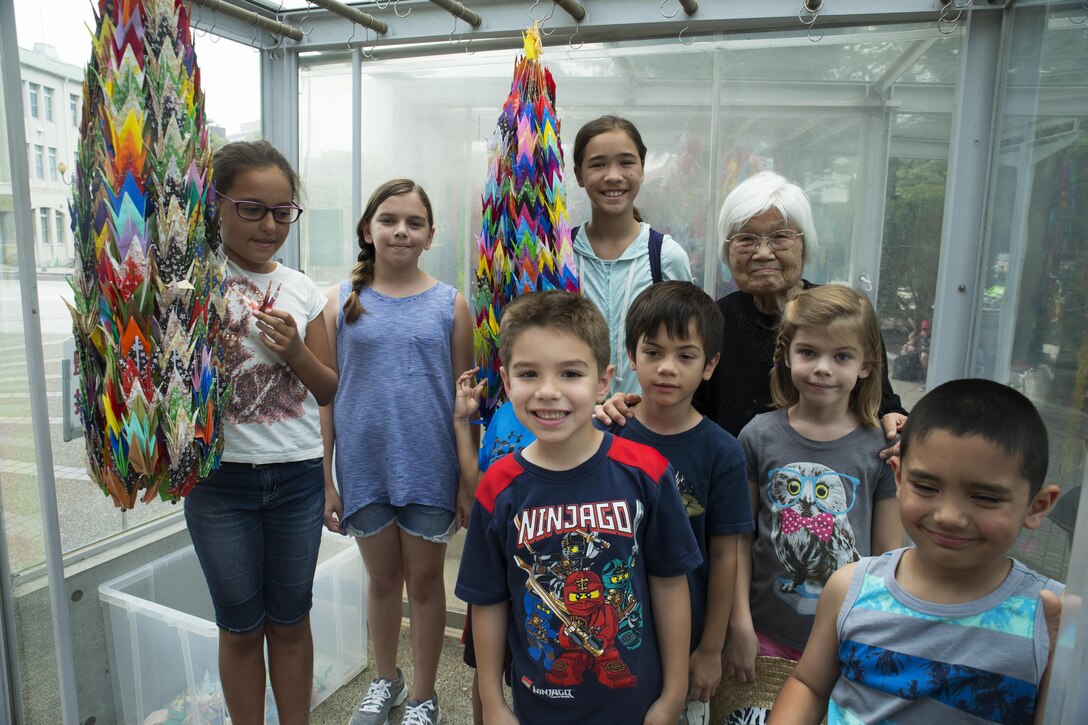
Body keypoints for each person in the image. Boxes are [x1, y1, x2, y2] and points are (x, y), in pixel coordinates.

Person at [455, 290, 702, 725]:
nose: (548, 391)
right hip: (539, 706)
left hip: (637, 705)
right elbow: (488, 600)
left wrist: (673, 693)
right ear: (507, 383)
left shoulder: (646, 473)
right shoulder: (498, 488)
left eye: (570, 373)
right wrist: (492, 702)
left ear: (603, 381)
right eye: (529, 373)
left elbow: (669, 583)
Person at [769, 378, 1064, 725]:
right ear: (898, 477)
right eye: (926, 487)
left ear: (1037, 506)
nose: (948, 516)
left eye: (984, 497)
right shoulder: (849, 588)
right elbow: (809, 685)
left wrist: (1059, 660)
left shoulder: (1053, 619)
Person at [183, 140, 339, 725]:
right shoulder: (194, 282)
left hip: (297, 478)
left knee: (291, 621)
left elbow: (327, 388)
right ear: (216, 204)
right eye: (251, 209)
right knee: (241, 627)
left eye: (282, 212)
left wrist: (295, 350)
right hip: (218, 483)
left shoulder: (302, 289)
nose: (269, 225)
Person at [321, 179, 474, 725]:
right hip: (364, 468)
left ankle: (424, 695)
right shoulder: (339, 303)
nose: (401, 231)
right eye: (388, 220)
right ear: (368, 230)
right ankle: (387, 679)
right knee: (383, 580)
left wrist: (467, 479)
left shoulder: (451, 305)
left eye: (414, 222)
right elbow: (325, 396)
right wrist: (326, 478)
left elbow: (465, 402)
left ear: (431, 235)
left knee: (426, 584)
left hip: (430, 467)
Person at [727, 285, 904, 688]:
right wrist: (738, 623)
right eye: (808, 352)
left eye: (841, 356)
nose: (823, 368)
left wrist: (876, 638)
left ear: (865, 364)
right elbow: (739, 539)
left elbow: (887, 558)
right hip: (764, 636)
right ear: (787, 354)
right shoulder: (757, 436)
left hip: (848, 641)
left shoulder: (880, 448)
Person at [604, 281, 754, 724]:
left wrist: (710, 648)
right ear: (631, 355)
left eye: (686, 356)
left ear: (710, 365)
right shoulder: (605, 435)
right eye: (653, 352)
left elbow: (726, 554)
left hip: (686, 642)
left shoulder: (722, 452)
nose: (667, 368)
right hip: (613, 634)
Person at [703, 171, 907, 442]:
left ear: (805, 243)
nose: (763, 253)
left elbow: (881, 402)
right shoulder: (712, 321)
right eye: (746, 239)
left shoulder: (844, 314)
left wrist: (896, 422)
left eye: (780, 236)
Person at [571, 115, 694, 395]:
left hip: (647, 415)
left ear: (642, 169)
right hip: (573, 415)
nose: (613, 176)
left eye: (626, 162)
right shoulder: (560, 255)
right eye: (598, 164)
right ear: (578, 175)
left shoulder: (665, 257)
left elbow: (686, 345)